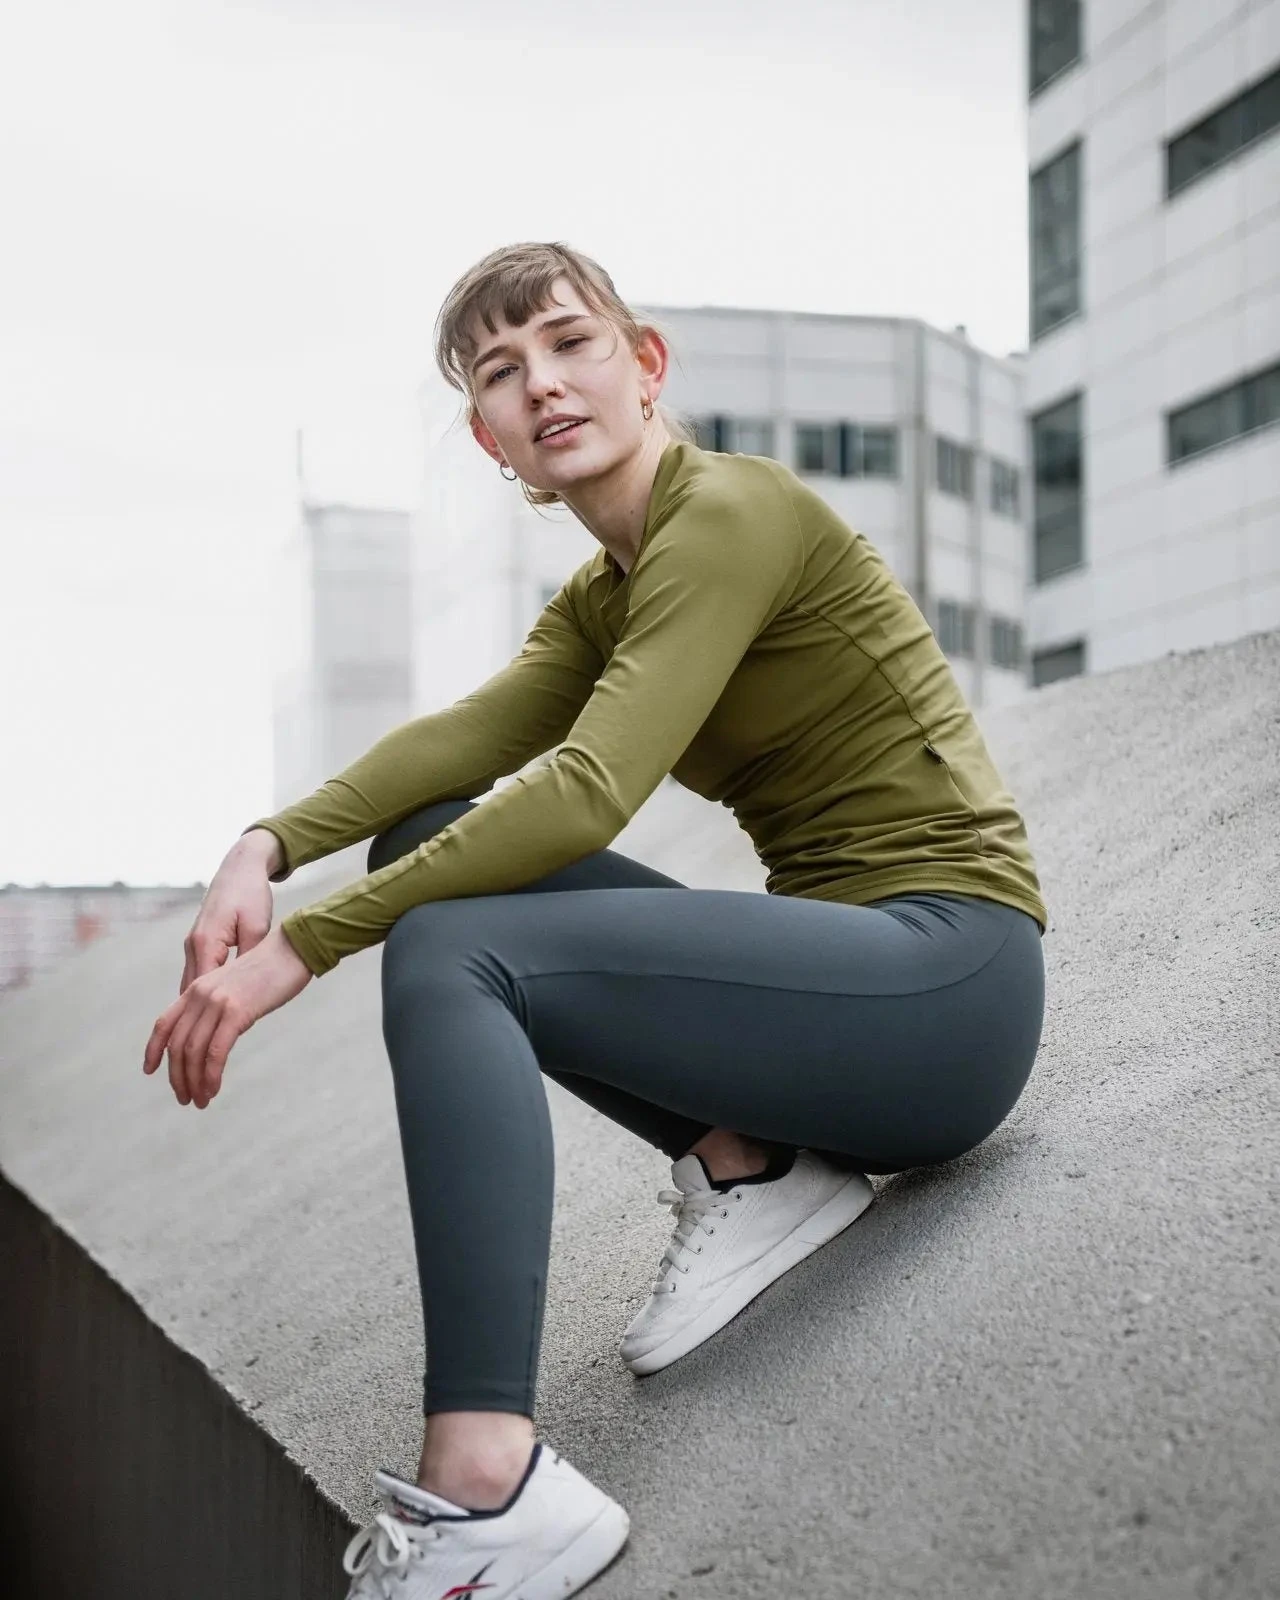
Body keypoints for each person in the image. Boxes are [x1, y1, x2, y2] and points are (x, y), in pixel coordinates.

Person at [143, 240, 1049, 1600]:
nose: (545, 385)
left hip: (951, 987)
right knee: (424, 842)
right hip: (848, 1014)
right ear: (489, 437)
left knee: (452, 942)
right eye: (502, 373)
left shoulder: (729, 514)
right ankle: (749, 1166)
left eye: (571, 344)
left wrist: (306, 944)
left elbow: (585, 792)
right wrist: (263, 846)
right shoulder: (605, 593)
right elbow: (461, 746)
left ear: (645, 363)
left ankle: (490, 1483)